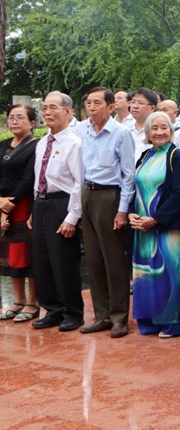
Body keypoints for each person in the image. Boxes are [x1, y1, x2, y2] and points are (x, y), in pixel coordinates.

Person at [79, 87, 136, 339]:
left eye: (97, 103)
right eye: (88, 103)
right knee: (93, 258)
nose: (91, 107)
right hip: (87, 194)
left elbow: (128, 175)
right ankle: (101, 314)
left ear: (111, 107)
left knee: (113, 259)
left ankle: (119, 317)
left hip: (109, 196)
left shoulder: (121, 134)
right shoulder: (83, 131)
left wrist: (122, 210)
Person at [129, 111, 180, 338]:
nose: (160, 132)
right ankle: (149, 320)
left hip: (165, 227)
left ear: (171, 130)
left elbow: (178, 193)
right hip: (142, 227)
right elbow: (137, 188)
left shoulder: (177, 156)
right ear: (148, 132)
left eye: (164, 127)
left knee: (169, 274)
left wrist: (154, 219)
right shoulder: (145, 155)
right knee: (146, 274)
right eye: (155, 128)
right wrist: (134, 215)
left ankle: (171, 323)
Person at [30, 92, 84, 332]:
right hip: (41, 204)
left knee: (64, 261)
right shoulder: (43, 142)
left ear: (68, 112)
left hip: (62, 204)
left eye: (53, 108)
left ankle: (73, 312)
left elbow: (79, 183)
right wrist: (34, 208)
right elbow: (38, 178)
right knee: (42, 261)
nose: (48, 113)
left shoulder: (75, 143)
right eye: (44, 108)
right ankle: (52, 310)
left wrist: (72, 217)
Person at [0, 105, 39, 322]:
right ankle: (17, 300)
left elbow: (28, 180)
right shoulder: (3, 145)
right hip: (3, 206)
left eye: (20, 118)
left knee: (28, 254)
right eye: (11, 117)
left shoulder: (35, 146)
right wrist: (0, 205)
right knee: (9, 255)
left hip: (24, 206)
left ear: (32, 123)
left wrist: (8, 205)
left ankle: (32, 302)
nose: (14, 121)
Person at [129, 88, 159, 160]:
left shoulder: (158, 132)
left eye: (140, 103)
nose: (135, 106)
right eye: (133, 102)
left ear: (152, 108)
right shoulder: (126, 129)